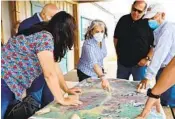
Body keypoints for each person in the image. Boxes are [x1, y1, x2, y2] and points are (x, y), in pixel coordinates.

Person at [1, 11, 82, 119]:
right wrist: (61, 99)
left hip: (10, 83)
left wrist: (66, 89)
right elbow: (49, 74)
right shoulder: (45, 37)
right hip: (4, 79)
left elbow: (55, 68)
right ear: (66, 32)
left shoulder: (44, 33)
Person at [137, 3, 175, 107]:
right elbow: (154, 47)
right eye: (149, 18)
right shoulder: (158, 30)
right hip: (162, 68)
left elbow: (159, 54)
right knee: (160, 97)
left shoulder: (167, 29)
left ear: (163, 15)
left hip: (169, 69)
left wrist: (148, 76)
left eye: (153, 17)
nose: (150, 21)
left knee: (167, 102)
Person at [113, 0, 154, 81]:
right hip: (122, 63)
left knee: (139, 89)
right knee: (121, 87)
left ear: (144, 11)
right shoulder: (123, 20)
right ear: (131, 7)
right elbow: (116, 38)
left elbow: (154, 44)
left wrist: (147, 58)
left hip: (139, 65)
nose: (136, 13)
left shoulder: (148, 23)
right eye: (134, 9)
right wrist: (118, 54)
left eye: (139, 11)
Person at [77, 20, 110, 91]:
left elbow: (100, 57)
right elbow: (94, 64)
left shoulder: (102, 40)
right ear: (91, 31)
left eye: (102, 31)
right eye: (97, 31)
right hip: (86, 72)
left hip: (98, 70)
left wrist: (101, 72)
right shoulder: (88, 45)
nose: (100, 34)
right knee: (87, 93)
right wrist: (103, 77)